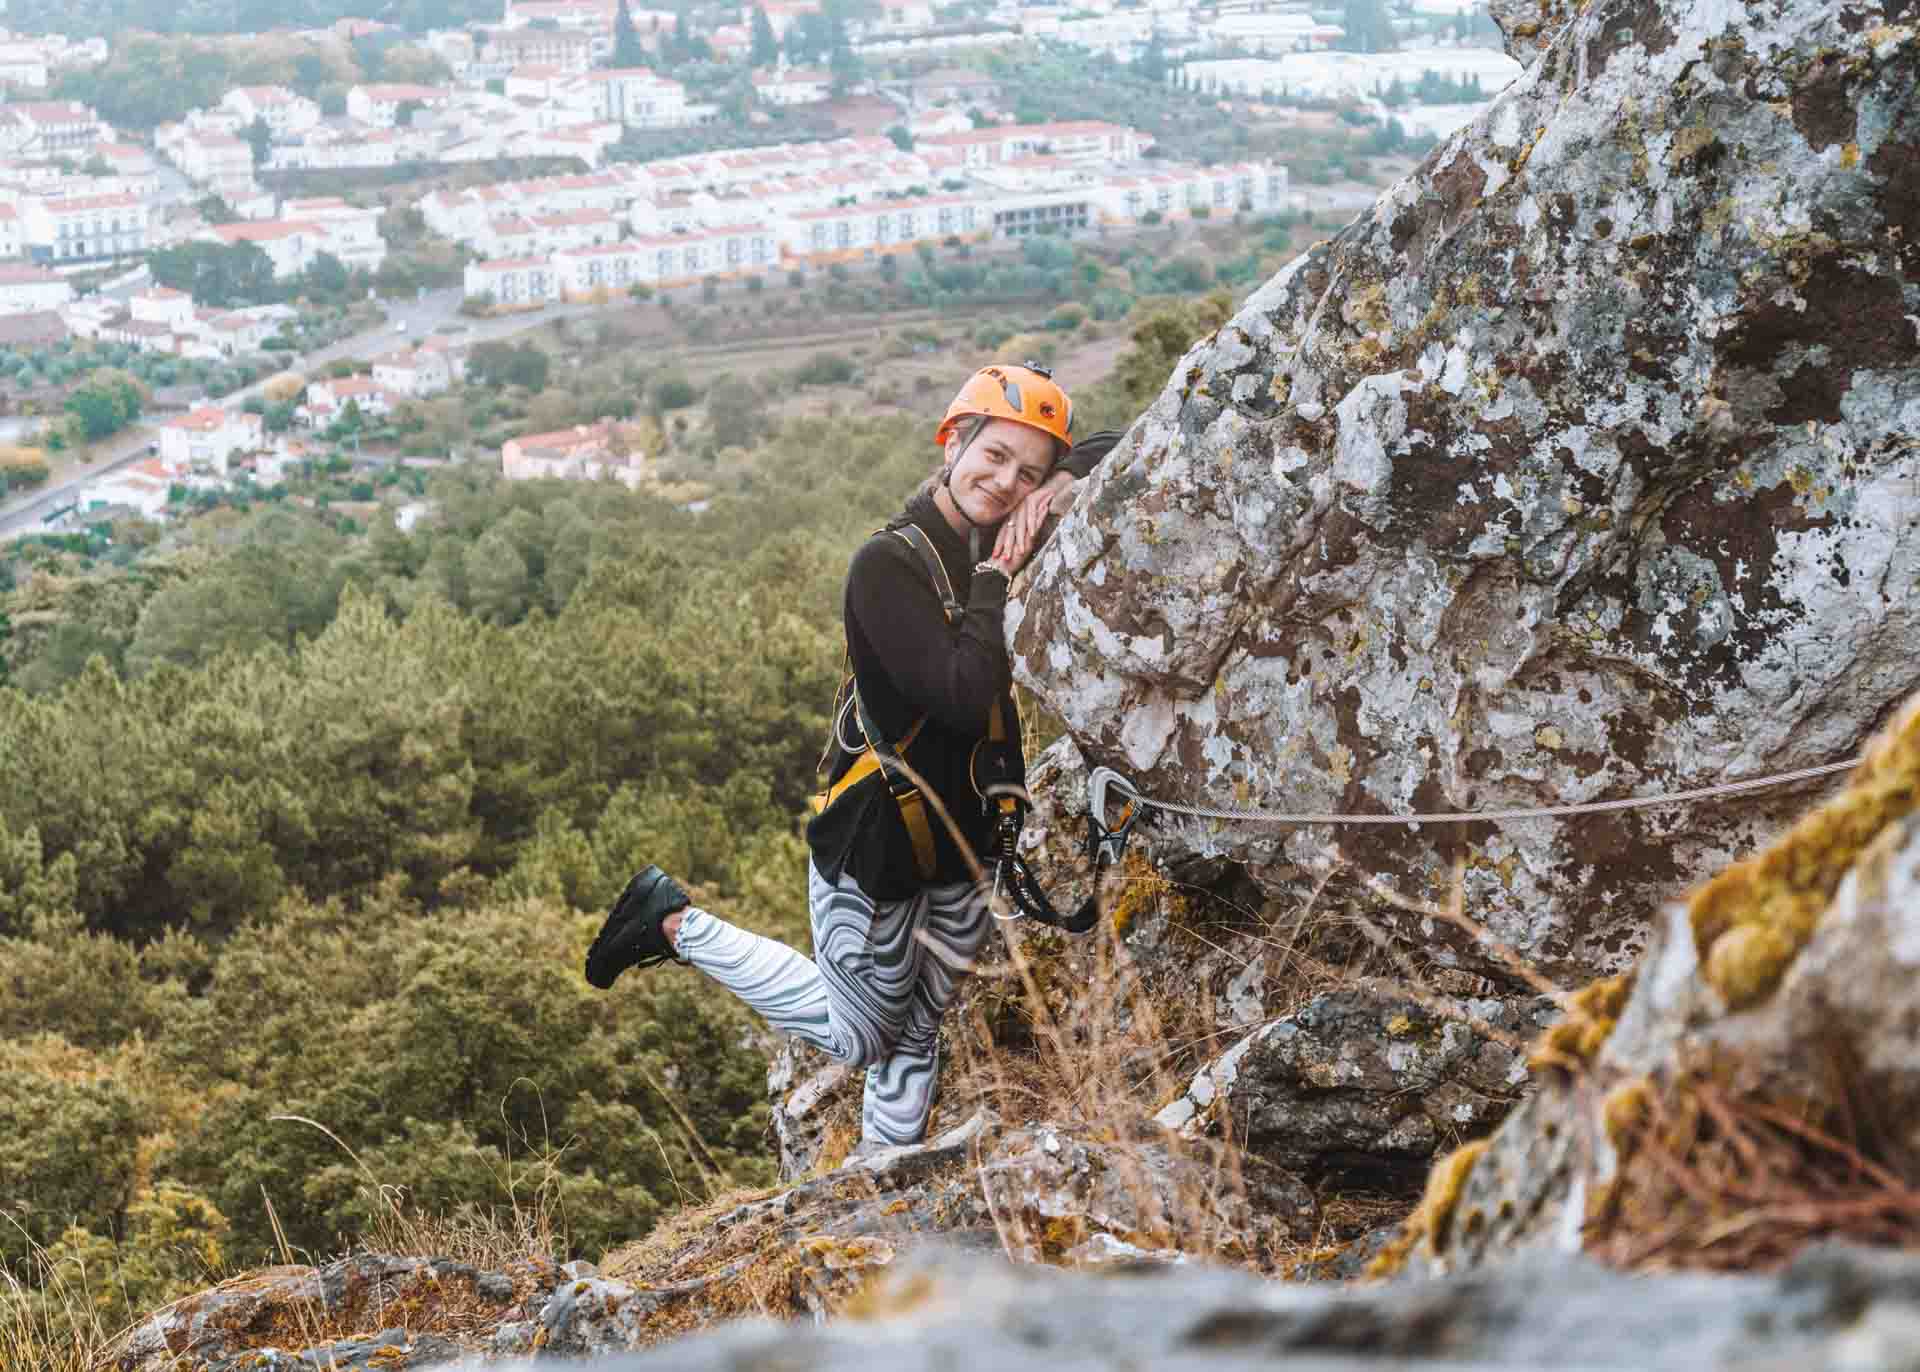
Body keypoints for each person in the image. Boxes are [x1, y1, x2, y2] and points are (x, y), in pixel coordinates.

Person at [585, 363, 1119, 1154]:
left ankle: (883, 1175)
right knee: (863, 1038)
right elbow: (966, 694)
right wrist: (995, 579)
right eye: (995, 456)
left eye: (1026, 473)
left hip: (969, 835)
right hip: (876, 846)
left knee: (921, 1023)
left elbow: (1121, 441)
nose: (1006, 483)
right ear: (953, 441)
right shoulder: (887, 566)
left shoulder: (1009, 523)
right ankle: (672, 922)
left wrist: (1063, 482)